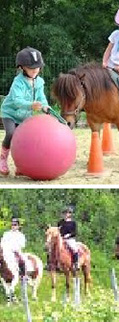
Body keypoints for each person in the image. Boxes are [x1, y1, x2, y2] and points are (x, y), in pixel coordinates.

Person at [0, 47, 50, 176]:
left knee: (24, 140)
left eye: (37, 67)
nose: (35, 70)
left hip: (24, 115)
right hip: (10, 113)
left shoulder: (39, 82)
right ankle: (2, 159)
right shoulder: (18, 82)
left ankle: (20, 165)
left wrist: (45, 106)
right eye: (31, 67)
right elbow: (17, 101)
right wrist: (31, 105)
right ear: (22, 68)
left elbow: (41, 98)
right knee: (11, 133)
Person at [57, 207, 80, 271]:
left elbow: (75, 232)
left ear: (70, 214)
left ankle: (76, 263)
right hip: (61, 238)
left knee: (74, 248)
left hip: (70, 239)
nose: (65, 215)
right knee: (51, 247)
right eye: (64, 213)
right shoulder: (60, 222)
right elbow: (57, 231)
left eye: (67, 213)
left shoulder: (73, 223)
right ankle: (50, 264)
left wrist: (68, 235)